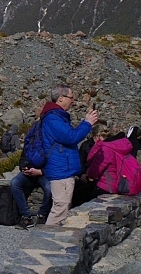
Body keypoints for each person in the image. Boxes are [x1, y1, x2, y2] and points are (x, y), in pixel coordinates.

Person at [40, 85, 98, 225]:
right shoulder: (53, 118)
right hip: (61, 170)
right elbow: (70, 137)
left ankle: (51, 239)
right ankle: (45, 242)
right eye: (71, 98)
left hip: (62, 168)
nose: (73, 101)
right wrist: (87, 123)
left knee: (63, 207)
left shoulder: (56, 117)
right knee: (60, 208)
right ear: (61, 99)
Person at [10, 161, 52, 230]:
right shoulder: (29, 149)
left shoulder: (48, 149)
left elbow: (54, 164)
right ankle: (26, 216)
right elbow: (23, 158)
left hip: (44, 174)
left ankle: (42, 215)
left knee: (49, 189)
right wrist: (24, 168)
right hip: (29, 174)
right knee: (14, 183)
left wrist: (41, 171)